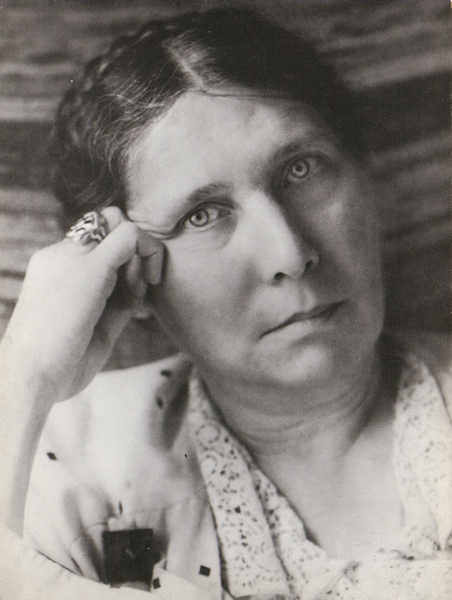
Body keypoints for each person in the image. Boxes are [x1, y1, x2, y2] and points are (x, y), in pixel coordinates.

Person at [0, 7, 451, 599]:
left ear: (366, 176)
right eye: (203, 215)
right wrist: (25, 372)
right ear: (128, 271)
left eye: (301, 169)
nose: (289, 253)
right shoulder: (65, 467)